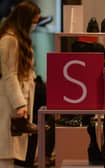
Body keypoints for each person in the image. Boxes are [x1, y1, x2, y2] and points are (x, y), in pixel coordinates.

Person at [0, 1, 40, 167]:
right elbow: (9, 75)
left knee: (13, 148)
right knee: (6, 149)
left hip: (17, 98)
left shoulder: (18, 39)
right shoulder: (9, 40)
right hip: (10, 100)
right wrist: (19, 104)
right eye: (34, 21)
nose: (35, 25)